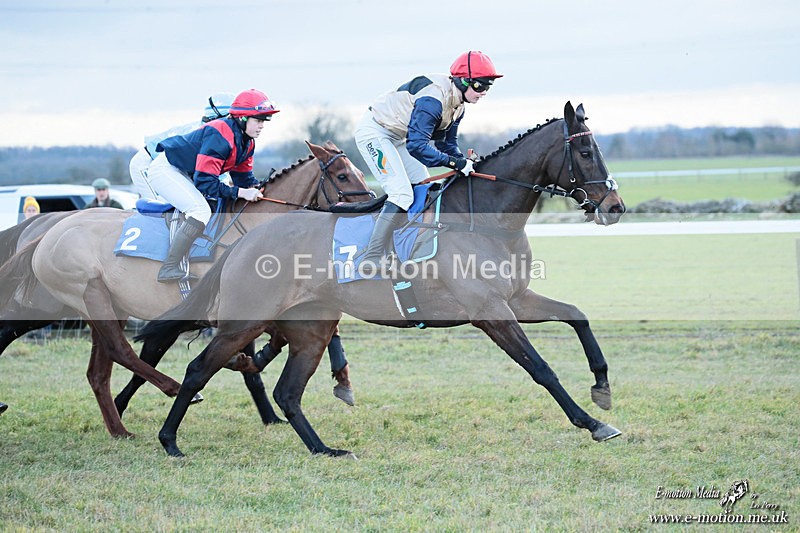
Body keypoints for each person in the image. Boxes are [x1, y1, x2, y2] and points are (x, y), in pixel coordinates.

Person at [354, 50, 503, 265]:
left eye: (488, 86)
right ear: (463, 81)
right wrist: (455, 163)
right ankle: (372, 256)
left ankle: (405, 245)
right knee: (402, 194)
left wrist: (465, 164)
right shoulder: (433, 100)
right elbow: (417, 146)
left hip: (399, 136)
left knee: (423, 187)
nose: (483, 92)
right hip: (375, 132)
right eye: (480, 86)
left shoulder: (458, 107)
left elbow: (446, 144)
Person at [147, 88, 275, 282]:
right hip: (167, 169)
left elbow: (243, 180)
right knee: (200, 210)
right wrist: (241, 192)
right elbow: (206, 183)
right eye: (258, 120)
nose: (261, 126)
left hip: (187, 172)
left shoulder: (247, 143)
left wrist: (258, 188)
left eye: (263, 121)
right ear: (242, 118)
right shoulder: (220, 134)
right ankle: (169, 267)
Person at [129, 92, 236, 200]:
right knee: (163, 206)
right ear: (219, 116)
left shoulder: (216, 134)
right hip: (147, 163)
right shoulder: (209, 134)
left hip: (173, 167)